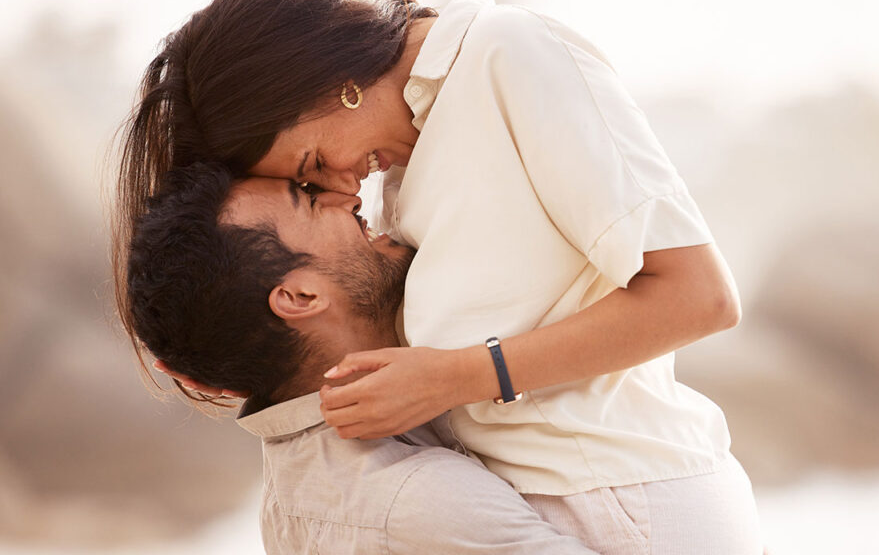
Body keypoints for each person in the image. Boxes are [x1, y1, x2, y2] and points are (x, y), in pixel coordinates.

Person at [114, 0, 762, 552]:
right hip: (546, 499)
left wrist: (459, 377)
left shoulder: (509, 55)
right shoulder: (411, 143)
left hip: (623, 498)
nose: (342, 191)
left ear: (324, 86)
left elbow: (699, 297)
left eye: (313, 169)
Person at [126, 161, 597, 554]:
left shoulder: (314, 482)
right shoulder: (412, 501)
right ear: (301, 296)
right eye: (310, 200)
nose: (348, 197)